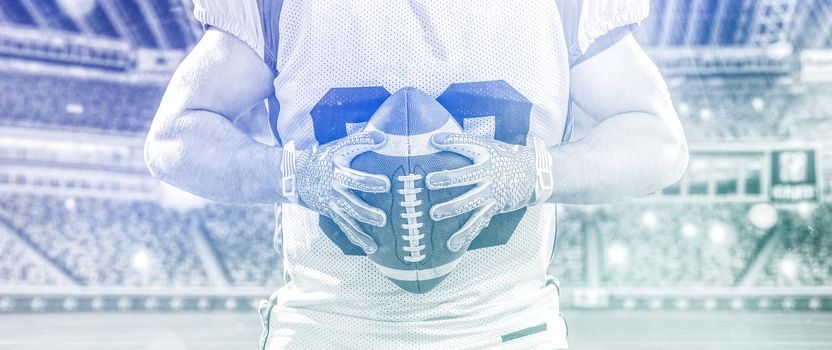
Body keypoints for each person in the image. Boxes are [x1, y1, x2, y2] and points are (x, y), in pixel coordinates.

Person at [144, 0, 688, 348]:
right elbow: (174, 137)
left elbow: (658, 140)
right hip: (330, 329)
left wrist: (533, 172)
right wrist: (292, 173)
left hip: (504, 329)